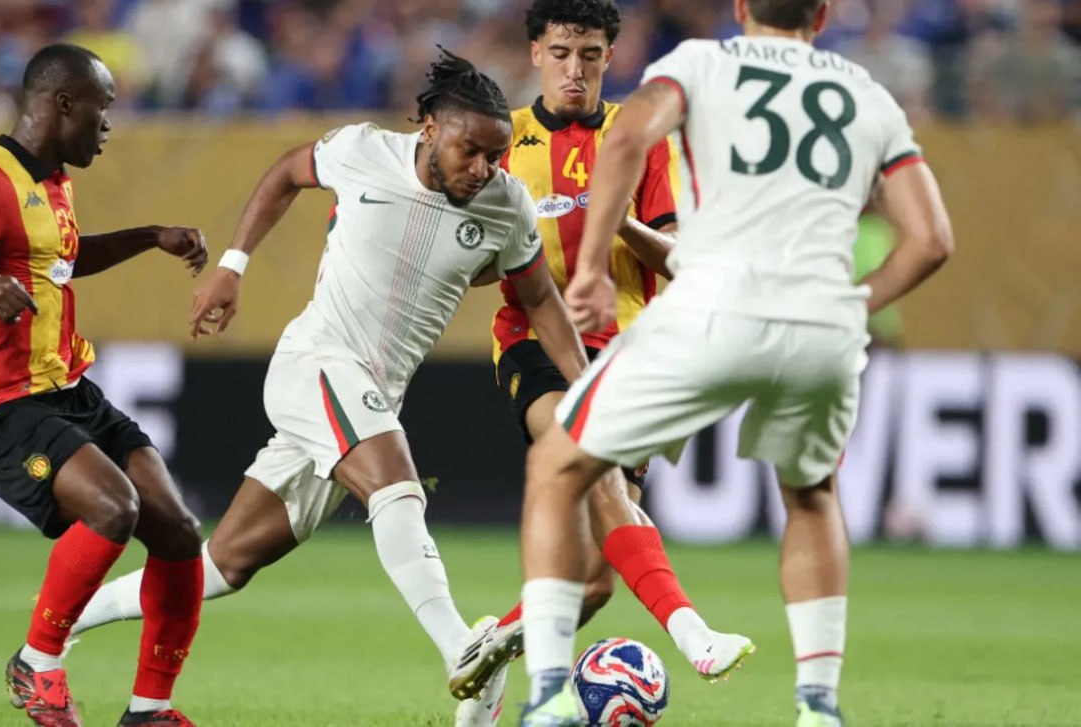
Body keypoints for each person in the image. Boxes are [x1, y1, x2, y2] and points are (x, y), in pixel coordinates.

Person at [66, 49, 590, 726]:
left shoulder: (506, 203)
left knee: (223, 564)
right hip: (316, 363)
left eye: (494, 156)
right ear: (431, 128)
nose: (482, 168)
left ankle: (63, 621)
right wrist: (233, 265)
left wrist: (588, 394)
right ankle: (463, 649)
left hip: (371, 398)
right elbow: (288, 170)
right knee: (397, 487)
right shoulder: (362, 151)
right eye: (470, 151)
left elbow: (541, 300)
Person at [515, 1, 954, 725]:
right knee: (812, 497)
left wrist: (591, 266)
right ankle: (818, 705)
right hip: (821, 324)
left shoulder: (701, 64)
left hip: (713, 306)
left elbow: (626, 139)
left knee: (559, 463)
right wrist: (853, 303)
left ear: (742, 7)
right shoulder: (867, 94)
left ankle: (549, 695)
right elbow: (932, 239)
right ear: (824, 14)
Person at [447, 0, 753, 704]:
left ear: (609, 58)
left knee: (592, 582)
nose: (574, 70)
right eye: (560, 54)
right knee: (593, 454)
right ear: (535, 54)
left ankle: (489, 652)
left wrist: (618, 217)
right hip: (535, 342)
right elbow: (476, 265)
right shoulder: (504, 141)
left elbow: (680, 258)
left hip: (629, 353)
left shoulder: (640, 140)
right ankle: (690, 630)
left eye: (589, 55)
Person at [0, 44, 211, 727]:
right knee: (114, 508)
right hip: (6, 405)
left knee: (178, 531)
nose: (108, 125)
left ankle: (150, 710)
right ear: (63, 103)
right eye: (103, 108)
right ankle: (37, 662)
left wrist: (151, 236)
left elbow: (65, 259)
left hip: (70, 392)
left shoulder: (55, 183)